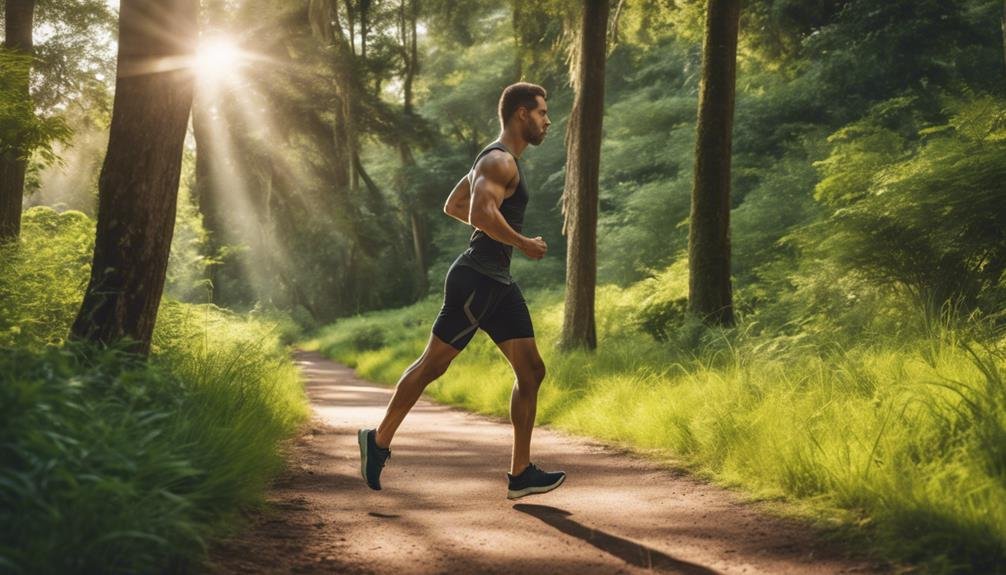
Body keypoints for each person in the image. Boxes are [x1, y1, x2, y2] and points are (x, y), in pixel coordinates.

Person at [358, 82, 565, 500]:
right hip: (477, 279)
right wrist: (522, 242)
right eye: (542, 112)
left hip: (497, 282)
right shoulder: (499, 160)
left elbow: (454, 205)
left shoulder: (492, 162)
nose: (547, 120)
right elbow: (475, 211)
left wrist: (499, 234)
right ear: (522, 114)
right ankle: (376, 442)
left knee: (532, 371)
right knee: (433, 365)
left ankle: (520, 473)